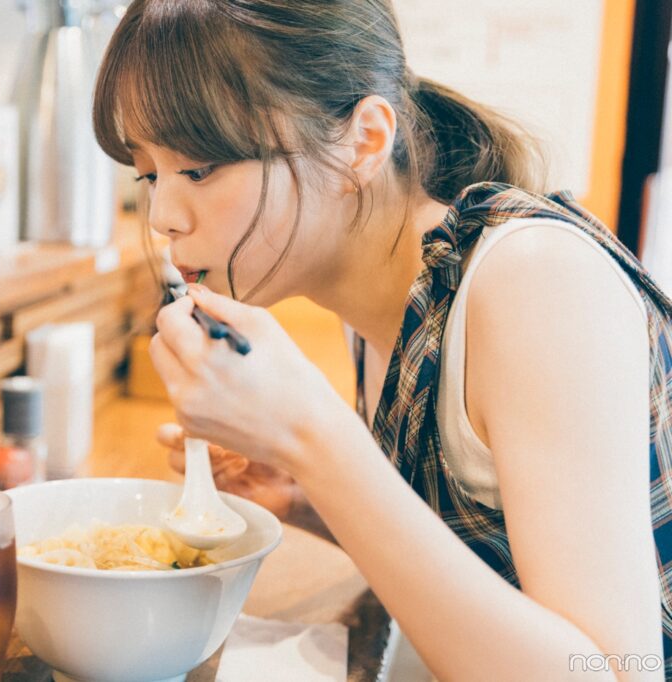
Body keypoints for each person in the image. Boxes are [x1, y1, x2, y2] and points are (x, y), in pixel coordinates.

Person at [92, 1, 670, 679]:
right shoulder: (380, 290)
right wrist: (309, 495)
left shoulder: (533, 279)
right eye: (147, 174)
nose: (162, 216)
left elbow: (611, 672)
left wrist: (316, 437)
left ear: (363, 142)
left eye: (199, 169)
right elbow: (487, 566)